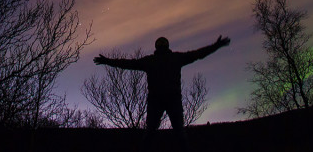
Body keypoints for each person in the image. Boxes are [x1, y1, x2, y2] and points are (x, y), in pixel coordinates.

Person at [93, 35, 231, 151]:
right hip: (167, 99)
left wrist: (107, 61)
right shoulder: (174, 58)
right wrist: (215, 46)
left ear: (157, 48)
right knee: (176, 132)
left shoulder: (153, 60)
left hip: (159, 100)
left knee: (154, 132)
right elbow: (198, 54)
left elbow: (128, 64)